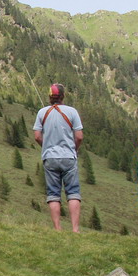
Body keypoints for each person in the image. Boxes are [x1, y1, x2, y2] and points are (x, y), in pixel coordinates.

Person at [33, 83, 84, 232]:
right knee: (73, 192)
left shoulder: (42, 112)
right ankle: (75, 230)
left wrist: (46, 147)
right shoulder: (72, 112)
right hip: (69, 157)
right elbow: (79, 136)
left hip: (49, 158)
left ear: (50, 97)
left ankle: (57, 229)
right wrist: (74, 149)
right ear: (63, 96)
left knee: (53, 194)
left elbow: (37, 136)